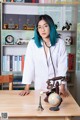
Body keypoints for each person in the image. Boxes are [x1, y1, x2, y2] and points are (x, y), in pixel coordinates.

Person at [19, 14, 68, 97]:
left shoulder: (60, 43)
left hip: (57, 86)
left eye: (45, 26)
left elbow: (62, 66)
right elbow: (29, 65)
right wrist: (27, 87)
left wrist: (62, 87)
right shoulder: (32, 44)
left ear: (51, 27)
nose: (42, 30)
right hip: (40, 85)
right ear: (37, 29)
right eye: (39, 27)